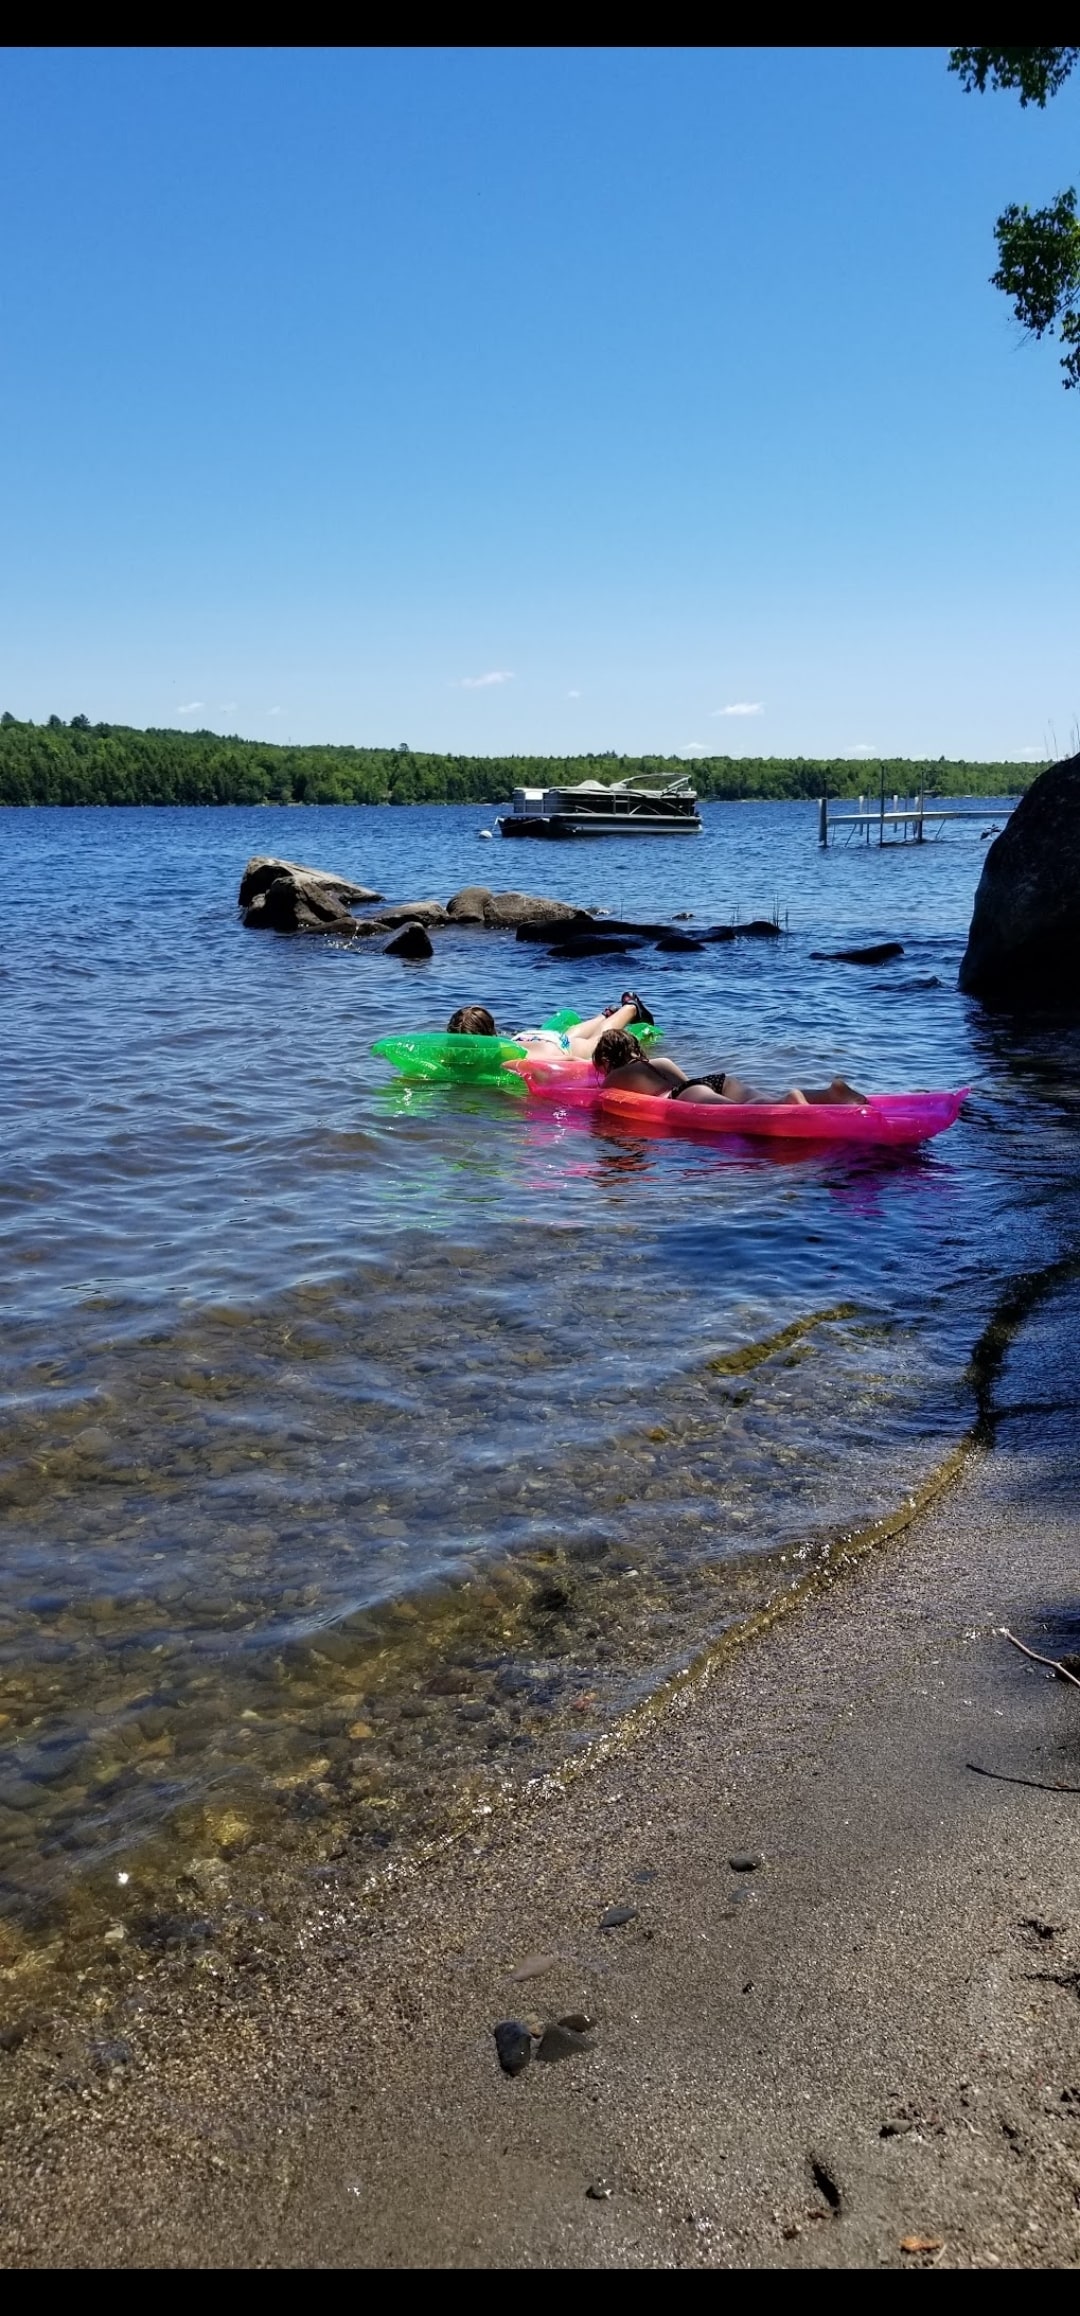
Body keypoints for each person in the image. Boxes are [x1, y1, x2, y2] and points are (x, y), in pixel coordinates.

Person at [590, 1028, 866, 1107]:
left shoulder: (615, 1075)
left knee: (741, 1112)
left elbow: (602, 1101)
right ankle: (829, 1094)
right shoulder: (661, 1062)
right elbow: (687, 1081)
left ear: (606, 1059)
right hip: (714, 1081)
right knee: (759, 1101)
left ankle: (789, 1100)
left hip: (684, 1095)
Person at [447, 992, 654, 1063]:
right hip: (531, 1038)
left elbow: (570, 1059)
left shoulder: (513, 1059)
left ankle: (631, 1008)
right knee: (569, 1035)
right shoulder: (503, 1046)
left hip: (554, 1048)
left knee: (592, 1043)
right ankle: (605, 1014)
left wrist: (589, 1066)